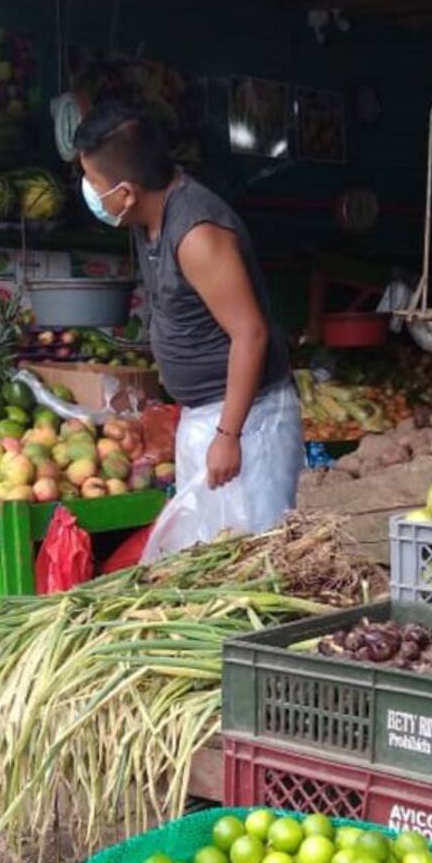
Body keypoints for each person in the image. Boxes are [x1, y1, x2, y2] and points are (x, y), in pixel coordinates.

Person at [73, 103, 303, 557]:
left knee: (258, 559)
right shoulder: (147, 220)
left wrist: (228, 435)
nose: (90, 193)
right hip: (204, 417)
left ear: (126, 193)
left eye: (94, 183)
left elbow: (250, 333)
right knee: (208, 558)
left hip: (249, 424)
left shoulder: (197, 233)